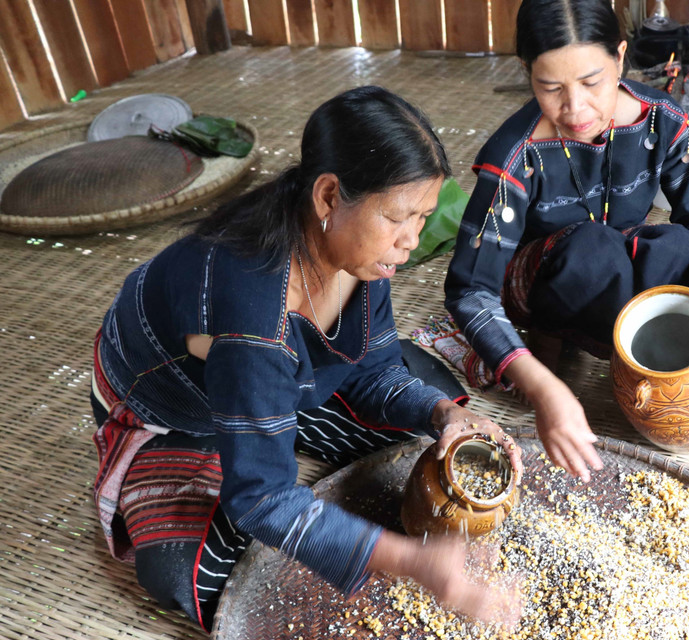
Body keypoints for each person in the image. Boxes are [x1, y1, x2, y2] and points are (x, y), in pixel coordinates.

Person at [90, 86, 523, 631]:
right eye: (398, 217)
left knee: (429, 402)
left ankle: (282, 419)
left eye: (423, 217)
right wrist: (411, 561)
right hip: (177, 411)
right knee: (199, 569)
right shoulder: (251, 317)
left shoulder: (361, 255)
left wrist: (445, 415)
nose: (411, 240)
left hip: (267, 376)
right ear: (328, 197)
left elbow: (375, 367)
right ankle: (237, 441)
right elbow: (262, 500)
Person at [444, 0, 689, 483]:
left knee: (679, 246)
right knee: (593, 248)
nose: (575, 108)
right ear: (527, 72)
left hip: (617, 258)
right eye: (551, 88)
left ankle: (651, 365)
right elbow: (470, 290)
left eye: (591, 82)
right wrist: (536, 383)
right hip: (548, 277)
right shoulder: (515, 154)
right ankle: (568, 344)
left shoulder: (661, 119)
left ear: (620, 58)